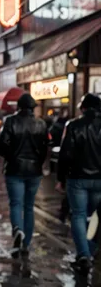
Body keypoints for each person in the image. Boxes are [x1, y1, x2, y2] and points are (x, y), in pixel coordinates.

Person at [0, 93, 50, 257]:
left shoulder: (11, 121)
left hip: (15, 170)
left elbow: (0, 146)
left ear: (18, 107)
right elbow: (44, 149)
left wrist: (11, 156)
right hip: (34, 171)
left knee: (16, 204)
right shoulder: (41, 123)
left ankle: (18, 229)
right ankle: (26, 244)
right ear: (33, 108)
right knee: (29, 207)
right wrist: (38, 163)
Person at [57, 93, 101, 273]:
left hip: (77, 178)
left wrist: (60, 178)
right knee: (95, 217)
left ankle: (83, 254)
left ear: (83, 108)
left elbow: (65, 154)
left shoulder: (73, 125)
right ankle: (90, 250)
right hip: (99, 179)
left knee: (79, 215)